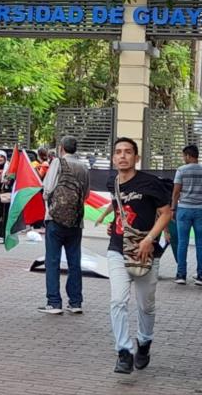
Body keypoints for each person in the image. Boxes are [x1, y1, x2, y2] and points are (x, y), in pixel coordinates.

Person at [102, 137, 172, 374]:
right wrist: (114, 224)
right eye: (118, 152)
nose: (122, 156)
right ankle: (123, 351)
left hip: (146, 251)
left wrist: (149, 239)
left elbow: (165, 213)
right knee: (117, 301)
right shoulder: (113, 183)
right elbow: (120, 210)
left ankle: (144, 342)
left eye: (128, 152)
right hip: (117, 248)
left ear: (136, 157)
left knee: (146, 305)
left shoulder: (150, 183)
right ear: (113, 158)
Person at [38, 135, 90, 315]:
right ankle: (75, 302)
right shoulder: (84, 166)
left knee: (52, 260)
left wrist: (51, 201)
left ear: (61, 148)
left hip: (55, 218)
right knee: (74, 260)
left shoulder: (57, 163)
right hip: (76, 221)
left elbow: (48, 188)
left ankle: (54, 302)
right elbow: (86, 194)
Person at [171, 144, 202, 286]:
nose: (183, 158)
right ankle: (201, 275)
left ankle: (181, 275)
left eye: (184, 156)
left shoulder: (181, 170)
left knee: (182, 242)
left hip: (184, 209)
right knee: (201, 243)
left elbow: (176, 192)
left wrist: (173, 208)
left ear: (188, 156)